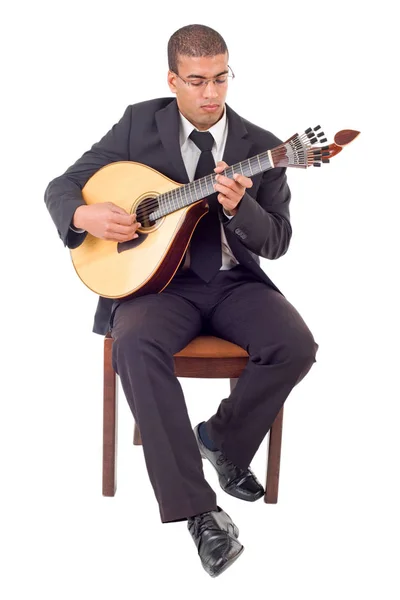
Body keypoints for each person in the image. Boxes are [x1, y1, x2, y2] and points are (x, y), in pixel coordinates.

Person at [44, 24, 319, 577]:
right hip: (156, 286)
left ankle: (221, 437)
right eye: (197, 81)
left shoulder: (261, 149)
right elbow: (62, 186)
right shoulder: (136, 124)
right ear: (173, 79)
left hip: (232, 282)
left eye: (221, 78)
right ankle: (198, 512)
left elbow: (279, 241)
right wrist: (84, 215)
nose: (211, 93)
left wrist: (243, 210)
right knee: (135, 344)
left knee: (295, 344)